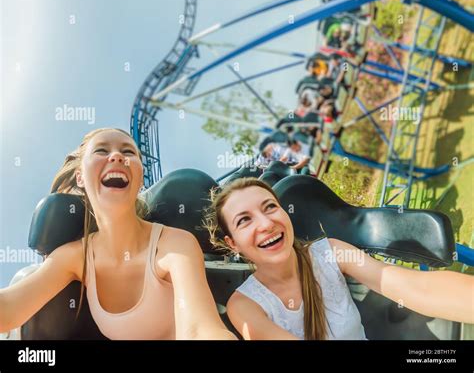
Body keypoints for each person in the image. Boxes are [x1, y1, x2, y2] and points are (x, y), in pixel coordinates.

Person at [0, 128, 236, 340]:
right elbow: (8, 308)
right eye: (102, 150)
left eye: (128, 152)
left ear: (141, 176)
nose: (116, 156)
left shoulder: (174, 244)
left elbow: (200, 329)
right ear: (80, 177)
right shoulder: (73, 257)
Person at [204, 178, 474, 340]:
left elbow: (415, 288)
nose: (266, 223)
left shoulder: (330, 252)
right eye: (244, 220)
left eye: (270, 207)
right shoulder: (244, 305)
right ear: (232, 244)